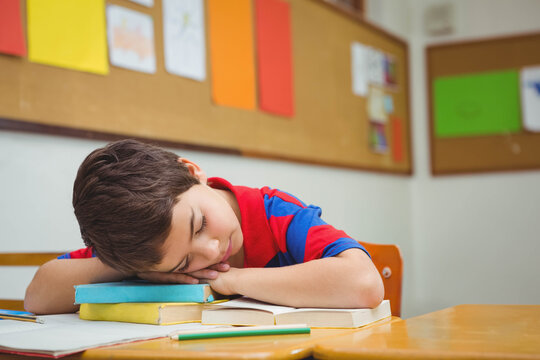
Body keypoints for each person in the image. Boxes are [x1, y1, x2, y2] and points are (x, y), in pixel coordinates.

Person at [25, 139, 384, 314]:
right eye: (183, 263)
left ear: (194, 173)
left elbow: (365, 284)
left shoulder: (275, 213)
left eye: (199, 226)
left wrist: (233, 280)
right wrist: (129, 268)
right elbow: (37, 296)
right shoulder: (142, 246)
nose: (211, 251)